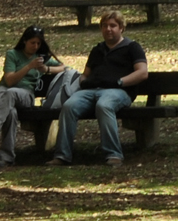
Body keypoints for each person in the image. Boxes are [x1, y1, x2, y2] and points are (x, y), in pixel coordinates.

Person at [52, 11, 147, 166]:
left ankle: (114, 155)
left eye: (113, 26)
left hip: (118, 91)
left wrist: (119, 82)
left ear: (121, 28)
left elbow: (142, 73)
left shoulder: (132, 47)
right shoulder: (97, 50)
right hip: (90, 91)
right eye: (105, 26)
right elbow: (85, 74)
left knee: (104, 105)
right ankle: (62, 155)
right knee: (69, 106)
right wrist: (83, 82)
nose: (108, 29)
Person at [0, 27, 64, 168]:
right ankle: (6, 157)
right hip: (4, 91)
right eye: (32, 43)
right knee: (10, 112)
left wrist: (46, 69)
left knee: (11, 94)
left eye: (38, 44)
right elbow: (9, 81)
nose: (35, 46)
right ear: (24, 41)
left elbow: (64, 68)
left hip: (25, 94)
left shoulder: (41, 58)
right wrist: (28, 67)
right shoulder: (12, 55)